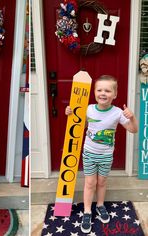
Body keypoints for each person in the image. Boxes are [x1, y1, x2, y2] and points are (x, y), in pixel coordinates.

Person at [65, 75, 138, 234]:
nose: (103, 93)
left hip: (106, 155)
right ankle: (86, 211)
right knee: (90, 183)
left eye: (107, 90)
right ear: (94, 92)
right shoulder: (89, 109)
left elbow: (133, 130)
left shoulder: (118, 112)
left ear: (115, 94)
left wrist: (132, 118)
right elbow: (79, 125)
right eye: (99, 90)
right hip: (89, 153)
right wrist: (70, 113)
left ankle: (99, 205)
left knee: (102, 182)